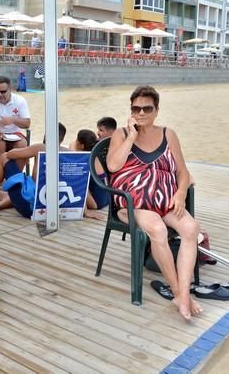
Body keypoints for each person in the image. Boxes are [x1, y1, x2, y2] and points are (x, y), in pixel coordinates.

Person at [107, 85, 202, 321]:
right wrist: (131, 137)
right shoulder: (120, 134)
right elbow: (112, 166)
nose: (141, 113)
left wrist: (180, 194)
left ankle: (181, 293)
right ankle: (180, 293)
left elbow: (182, 171)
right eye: (135, 109)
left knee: (191, 229)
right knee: (158, 229)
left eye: (146, 108)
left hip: (166, 199)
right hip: (133, 204)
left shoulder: (168, 134)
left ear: (156, 110)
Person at [0, 123, 66, 217]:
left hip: (28, 206)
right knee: (25, 187)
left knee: (4, 158)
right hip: (51, 209)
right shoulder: (69, 154)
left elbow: (10, 155)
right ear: (61, 139)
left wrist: (25, 153)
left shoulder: (40, 147)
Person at [69, 129, 104, 220]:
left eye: (77, 140)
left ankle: (85, 209)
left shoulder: (82, 161)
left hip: (95, 203)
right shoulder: (96, 155)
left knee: (74, 176)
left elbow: (79, 184)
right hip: (106, 199)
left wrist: (86, 211)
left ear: (82, 145)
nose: (74, 142)